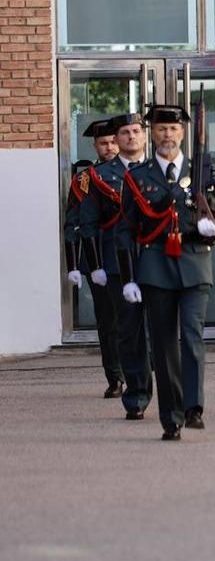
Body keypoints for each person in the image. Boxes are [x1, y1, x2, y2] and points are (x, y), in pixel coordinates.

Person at [118, 105, 215, 441]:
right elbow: (126, 231)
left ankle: (194, 407)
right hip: (155, 267)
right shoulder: (138, 177)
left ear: (182, 133)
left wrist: (213, 227)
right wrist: (130, 277)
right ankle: (171, 417)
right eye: (161, 129)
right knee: (163, 345)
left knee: (191, 338)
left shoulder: (201, 170)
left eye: (173, 129)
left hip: (194, 262)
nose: (167, 135)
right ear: (153, 134)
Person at [79, 113, 153, 420]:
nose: (130, 137)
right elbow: (86, 223)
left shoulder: (159, 170)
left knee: (158, 329)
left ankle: (163, 388)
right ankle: (132, 390)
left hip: (155, 259)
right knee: (124, 328)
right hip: (114, 262)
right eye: (124, 133)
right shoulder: (96, 177)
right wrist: (92, 264)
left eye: (136, 131)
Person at [64, 118, 122, 398]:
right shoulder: (84, 180)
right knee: (107, 321)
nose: (109, 147)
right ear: (95, 146)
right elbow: (71, 223)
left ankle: (138, 370)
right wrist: (72, 265)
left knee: (138, 319)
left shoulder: (133, 173)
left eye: (113, 141)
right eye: (104, 143)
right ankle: (115, 377)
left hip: (131, 256)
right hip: (96, 256)